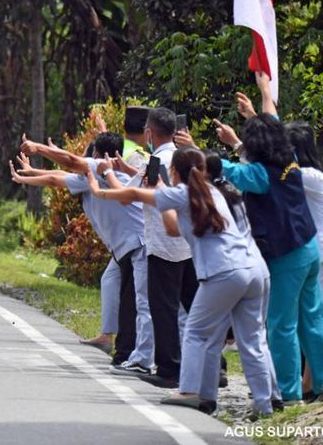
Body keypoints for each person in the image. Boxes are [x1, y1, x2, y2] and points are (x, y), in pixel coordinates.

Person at [88, 146, 276, 418]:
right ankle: (264, 404)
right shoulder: (212, 192)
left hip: (222, 273)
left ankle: (188, 391)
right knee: (251, 339)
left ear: (175, 171)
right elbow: (173, 228)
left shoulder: (181, 192)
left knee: (196, 333)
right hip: (253, 271)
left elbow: (131, 195)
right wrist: (163, 193)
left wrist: (98, 187)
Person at [212, 71, 323, 402]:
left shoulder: (257, 174)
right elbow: (272, 121)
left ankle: (290, 392)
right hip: (309, 247)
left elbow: (219, 168)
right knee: (313, 318)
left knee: (280, 325)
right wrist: (265, 90)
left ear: (254, 146)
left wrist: (197, 151)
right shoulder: (290, 158)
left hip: (287, 255)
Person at [17, 132, 154, 377]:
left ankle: (139, 357)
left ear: (99, 155)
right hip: (126, 247)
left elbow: (67, 164)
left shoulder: (101, 170)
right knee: (115, 286)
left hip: (138, 244)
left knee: (140, 303)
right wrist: (29, 174)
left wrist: (38, 148)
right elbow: (59, 176)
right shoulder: (100, 174)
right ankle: (112, 340)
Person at [100, 108, 198, 389]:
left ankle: (159, 364)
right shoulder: (181, 157)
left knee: (158, 306)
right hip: (187, 244)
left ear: (150, 133)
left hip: (162, 244)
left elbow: (126, 195)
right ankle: (206, 366)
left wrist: (108, 173)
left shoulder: (155, 160)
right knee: (187, 308)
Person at [285, 121, 323, 398]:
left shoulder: (308, 176)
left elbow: (276, 175)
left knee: (322, 322)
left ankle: (320, 385)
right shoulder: (312, 174)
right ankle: (313, 383)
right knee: (316, 320)